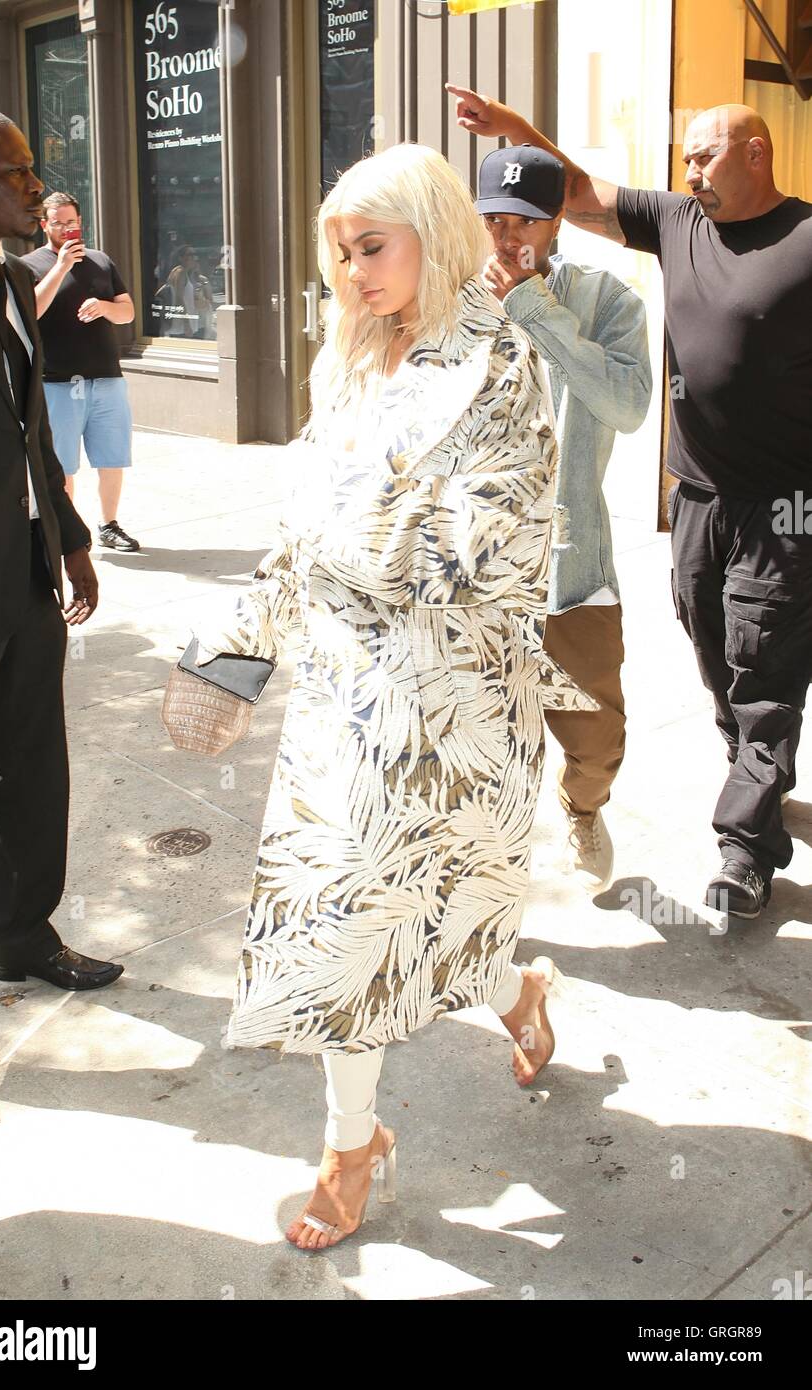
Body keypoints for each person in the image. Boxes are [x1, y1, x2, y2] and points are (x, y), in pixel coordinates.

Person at [190, 143, 595, 1249]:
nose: (353, 271)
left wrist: (370, 544)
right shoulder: (348, 362)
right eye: (340, 252)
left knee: (443, 912)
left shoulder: (499, 363)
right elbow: (299, 530)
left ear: (433, 230)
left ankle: (518, 993)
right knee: (345, 926)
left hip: (453, 707)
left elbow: (502, 546)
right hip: (343, 698)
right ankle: (352, 1140)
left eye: (373, 246)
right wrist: (234, 649)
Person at [449, 84, 812, 920]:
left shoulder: (804, 236)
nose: (687, 170)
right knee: (715, 651)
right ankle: (754, 765)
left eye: (703, 154)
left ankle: (744, 843)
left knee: (764, 670)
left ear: (754, 152)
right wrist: (513, 129)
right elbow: (573, 190)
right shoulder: (679, 221)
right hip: (697, 495)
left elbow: (617, 396)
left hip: (785, 505)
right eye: (683, 157)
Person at [0, 107, 124, 1118]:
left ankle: (25, 935)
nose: (32, 183)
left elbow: (25, 433)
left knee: (33, 766)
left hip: (21, 575)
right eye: (10, 169)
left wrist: (65, 531)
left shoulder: (13, 282)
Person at [478, 144, 651, 891]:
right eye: (493, 218)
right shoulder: (450, 302)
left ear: (556, 222)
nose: (507, 235)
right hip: (478, 575)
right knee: (485, 743)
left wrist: (535, 310)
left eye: (525, 218)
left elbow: (627, 406)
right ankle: (484, 873)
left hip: (572, 566)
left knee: (595, 738)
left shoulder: (607, 300)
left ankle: (581, 808)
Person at [22, 192, 140, 553]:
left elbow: (128, 313)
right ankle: (68, 532)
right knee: (63, 465)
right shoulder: (28, 265)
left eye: (71, 223)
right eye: (57, 223)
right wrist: (60, 267)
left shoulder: (100, 261)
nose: (65, 229)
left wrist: (104, 306)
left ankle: (109, 525)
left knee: (112, 457)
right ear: (45, 225)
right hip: (58, 382)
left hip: (106, 378)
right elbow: (32, 313)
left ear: (80, 222)